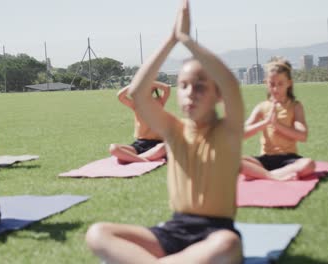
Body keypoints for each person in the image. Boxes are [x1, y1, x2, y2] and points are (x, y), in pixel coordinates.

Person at [86, 1, 244, 263]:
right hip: (174, 231)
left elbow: (230, 83)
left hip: (215, 232)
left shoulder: (228, 130)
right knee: (97, 233)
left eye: (200, 86)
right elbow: (137, 93)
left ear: (217, 94)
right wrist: (171, 40)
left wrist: (187, 40)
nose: (190, 93)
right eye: (183, 86)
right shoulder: (174, 130)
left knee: (228, 244)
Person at [241, 58, 315, 181]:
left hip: (288, 159)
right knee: (233, 161)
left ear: (289, 83)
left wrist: (277, 125)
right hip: (265, 160)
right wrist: (264, 123)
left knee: (309, 164)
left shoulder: (295, 106)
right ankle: (273, 176)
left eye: (280, 84)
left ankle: (263, 174)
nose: (275, 89)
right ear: (266, 83)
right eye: (272, 84)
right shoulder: (262, 107)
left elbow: (302, 136)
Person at [109, 81, 170, 163]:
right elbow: (120, 96)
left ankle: (133, 158)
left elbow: (167, 88)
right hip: (139, 144)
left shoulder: (160, 102)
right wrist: (135, 84)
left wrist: (151, 81)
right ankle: (143, 159)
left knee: (165, 146)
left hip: (157, 145)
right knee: (113, 148)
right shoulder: (136, 104)